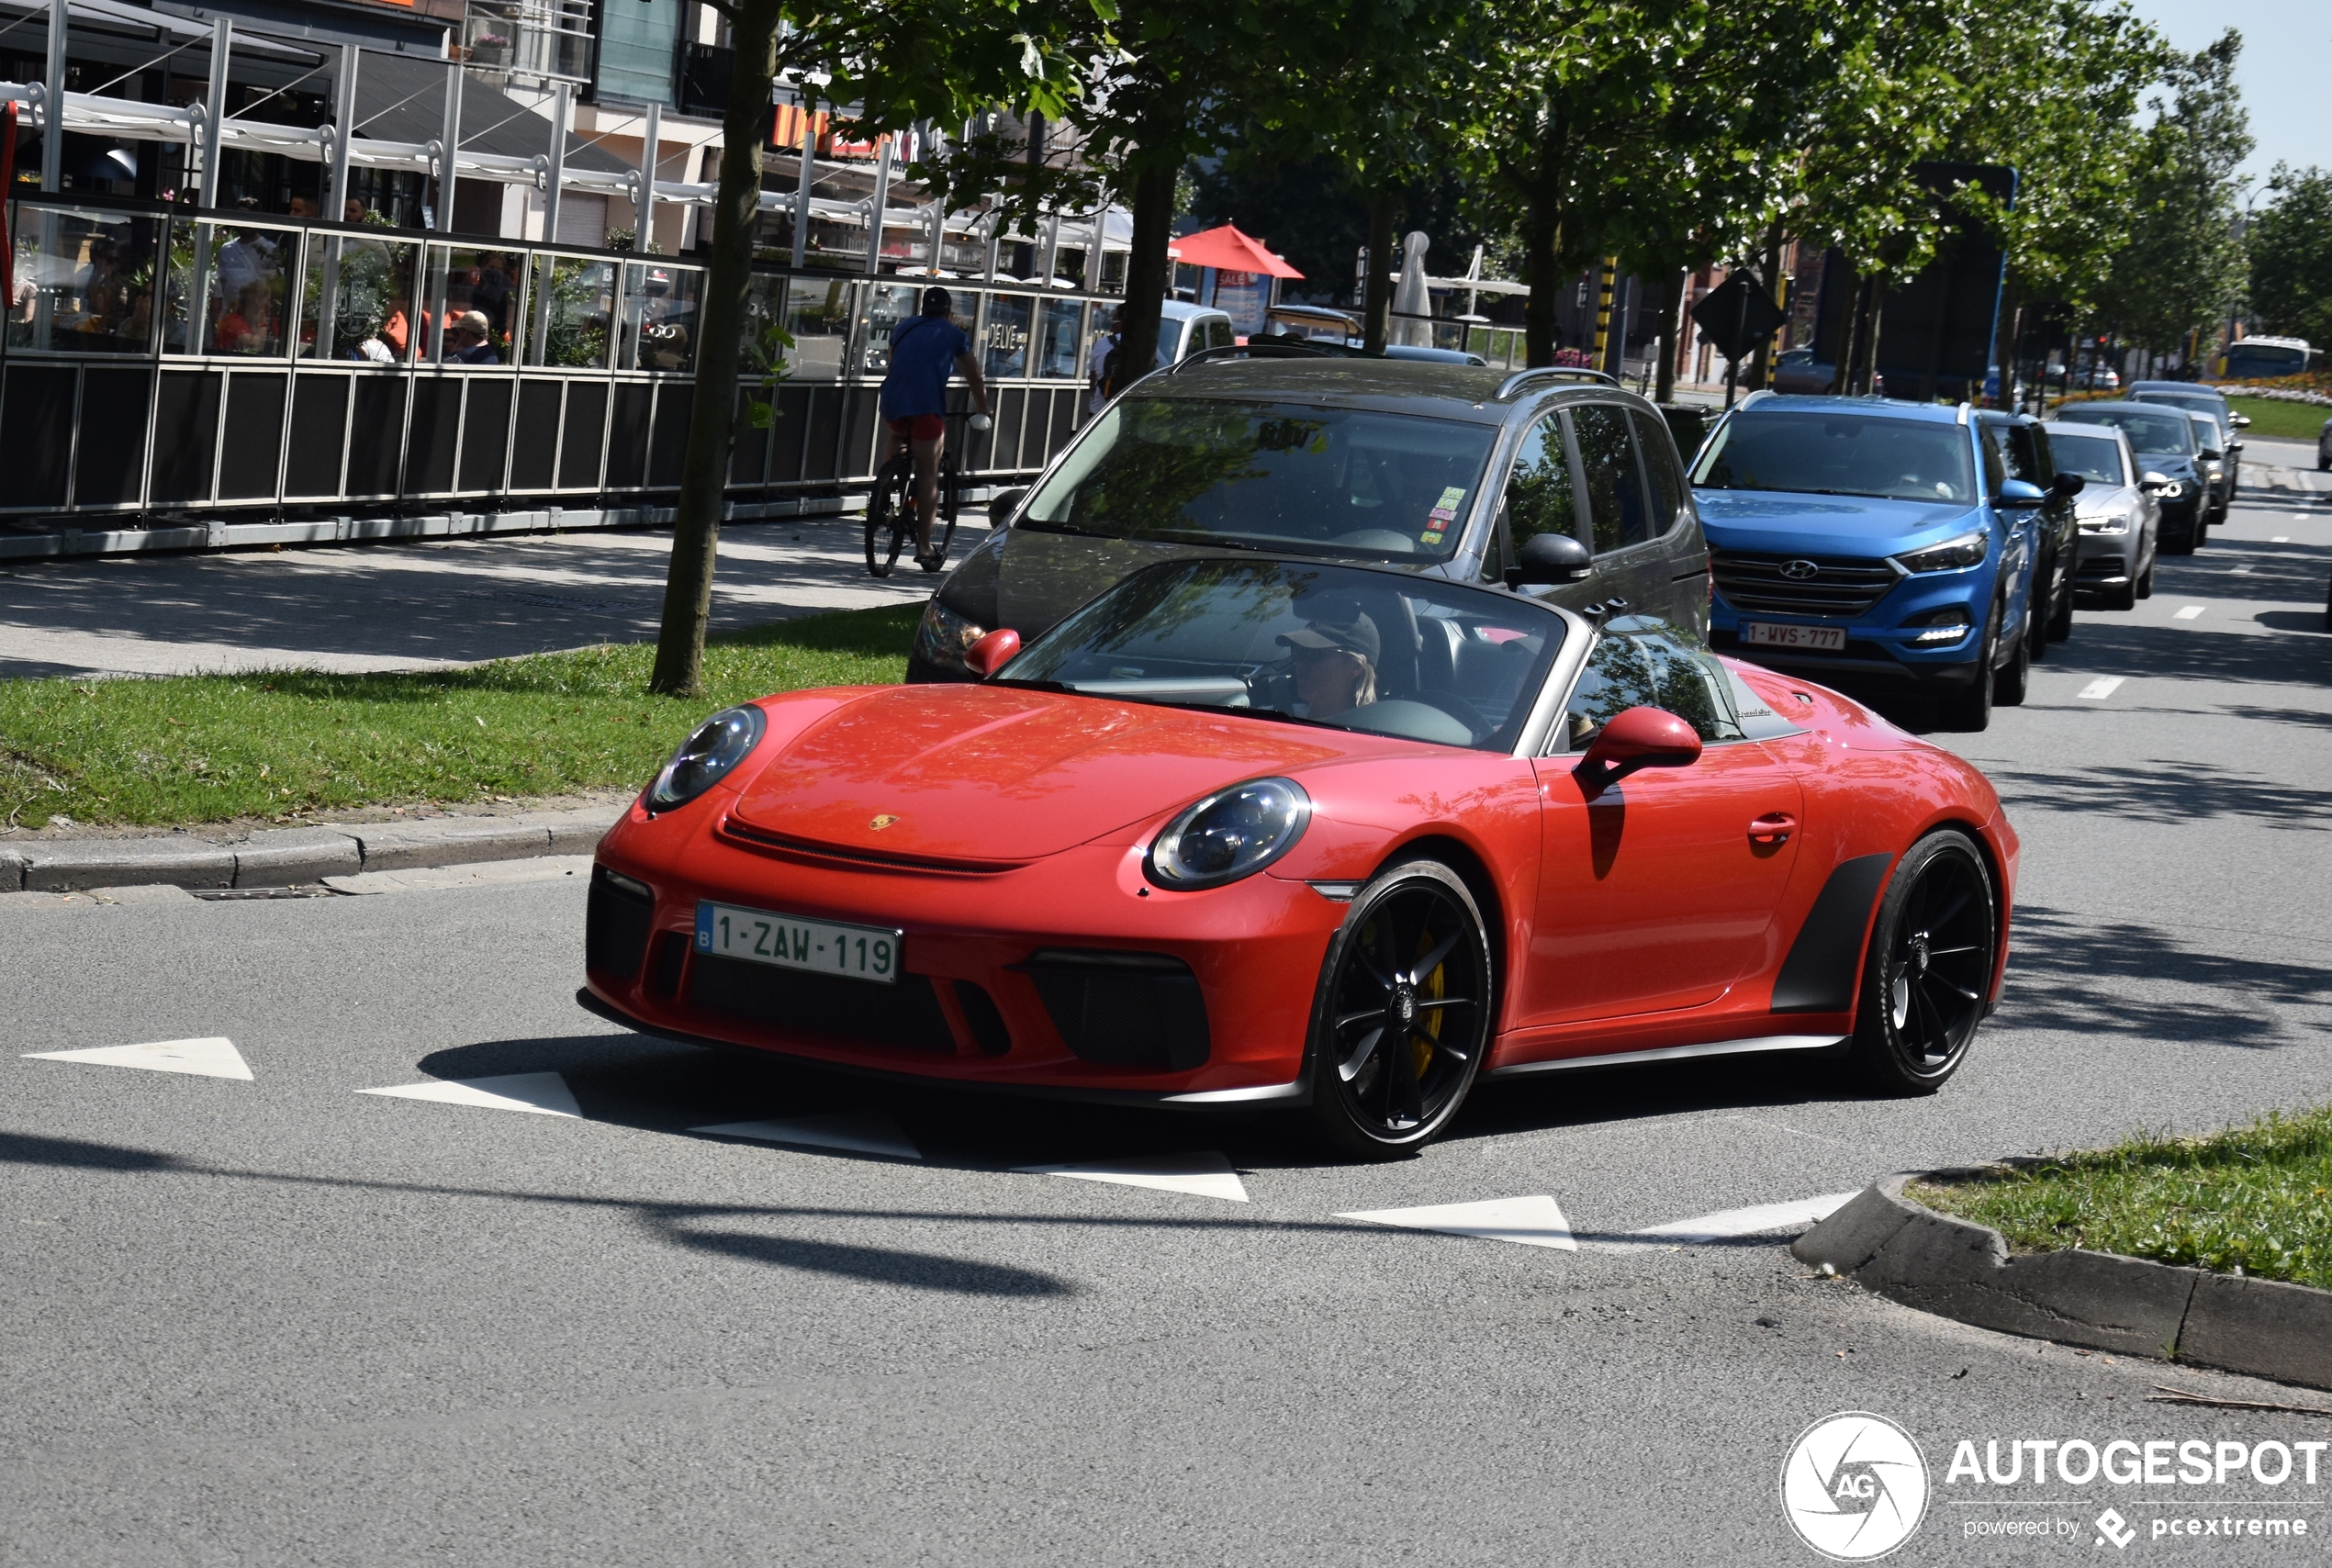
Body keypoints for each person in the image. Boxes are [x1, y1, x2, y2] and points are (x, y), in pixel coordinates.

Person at [878, 286, 990, 571]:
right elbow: (974, 377)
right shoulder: (953, 334)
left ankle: (885, 486)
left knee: (898, 433)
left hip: (892, 402)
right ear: (949, 312)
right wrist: (983, 410)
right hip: (927, 406)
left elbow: (894, 361)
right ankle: (925, 546)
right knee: (929, 476)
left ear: (923, 307)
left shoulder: (904, 327)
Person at [1278, 607, 1380, 720]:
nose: (1299, 664)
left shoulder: (1378, 733)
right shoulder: (1271, 719)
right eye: (1297, 652)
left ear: (1356, 666)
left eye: (1313, 655)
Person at [1088, 304, 1125, 414]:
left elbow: (1093, 377)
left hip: (1099, 410)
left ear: (1120, 325)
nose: (1111, 328)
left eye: (1113, 323)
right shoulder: (1146, 347)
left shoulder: (1102, 344)